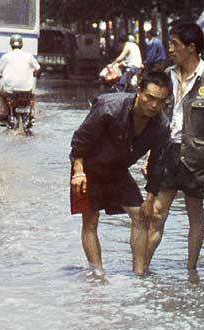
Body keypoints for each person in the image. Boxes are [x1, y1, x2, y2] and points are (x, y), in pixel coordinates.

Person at [144, 21, 204, 281]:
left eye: (175, 45)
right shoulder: (167, 76)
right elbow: (154, 119)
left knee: (195, 213)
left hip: (198, 155)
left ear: (191, 48)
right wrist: (149, 154)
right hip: (166, 152)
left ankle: (191, 271)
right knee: (157, 212)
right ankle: (143, 267)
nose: (171, 49)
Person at [70, 70, 172, 275]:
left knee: (142, 216)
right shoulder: (109, 107)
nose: (153, 105)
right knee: (90, 221)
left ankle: (139, 274)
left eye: (160, 101)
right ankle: (97, 275)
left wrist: (150, 198)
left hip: (117, 170)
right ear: (139, 91)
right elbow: (80, 139)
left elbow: (157, 164)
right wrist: (78, 170)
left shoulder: (161, 125)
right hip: (89, 167)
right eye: (149, 98)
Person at [0, 34, 40, 128]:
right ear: (21, 45)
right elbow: (37, 67)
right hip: (27, 89)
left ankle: (3, 115)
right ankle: (32, 115)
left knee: (0, 93)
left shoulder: (6, 56)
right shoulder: (28, 56)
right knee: (32, 96)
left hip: (10, 90)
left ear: (11, 44)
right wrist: (34, 73)